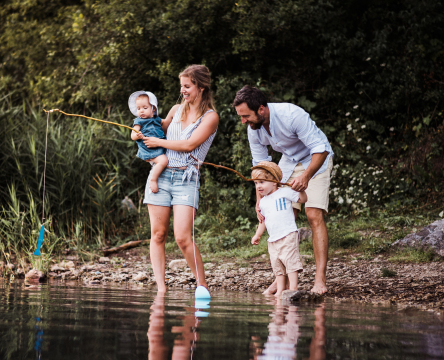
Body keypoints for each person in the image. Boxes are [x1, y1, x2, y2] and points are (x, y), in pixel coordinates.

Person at [233, 85, 334, 294]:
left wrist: (305, 177)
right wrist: (259, 201)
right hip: (289, 162)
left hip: (317, 159)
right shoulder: (254, 129)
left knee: (313, 214)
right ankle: (284, 279)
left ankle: (320, 279)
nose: (243, 121)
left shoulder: (292, 115)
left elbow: (320, 149)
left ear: (261, 109)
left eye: (246, 116)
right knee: (282, 213)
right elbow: (260, 168)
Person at [141, 64, 219, 294]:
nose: (183, 90)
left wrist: (159, 143)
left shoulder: (210, 117)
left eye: (187, 86)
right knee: (158, 234)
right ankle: (161, 289)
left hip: (186, 178)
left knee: (183, 238)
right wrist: (141, 129)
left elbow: (189, 145)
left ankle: (202, 286)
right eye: (181, 86)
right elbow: (158, 132)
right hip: (161, 175)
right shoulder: (176, 109)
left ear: (201, 87)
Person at [250, 161, 307, 297]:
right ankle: (280, 290)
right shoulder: (263, 202)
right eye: (256, 183)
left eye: (262, 182)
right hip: (273, 239)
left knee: (290, 262)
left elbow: (302, 200)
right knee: (278, 267)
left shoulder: (285, 192)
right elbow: (263, 221)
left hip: (287, 235)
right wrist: (257, 235)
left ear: (274, 182)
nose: (258, 186)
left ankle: (293, 288)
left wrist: (301, 190)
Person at [129, 91, 169, 193]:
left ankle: (157, 171)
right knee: (164, 161)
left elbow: (166, 122)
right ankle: (153, 179)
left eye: (145, 108)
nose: (141, 111)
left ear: (153, 108)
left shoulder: (156, 119)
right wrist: (136, 135)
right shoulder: (139, 121)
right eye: (138, 108)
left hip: (158, 146)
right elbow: (132, 135)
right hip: (148, 149)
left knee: (166, 160)